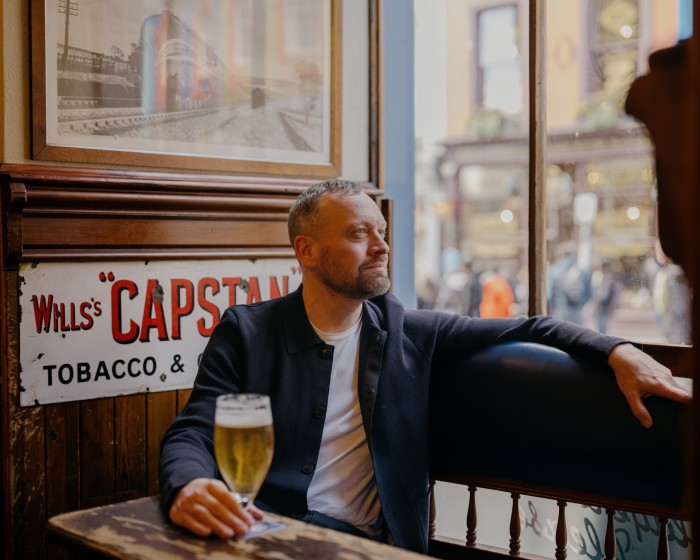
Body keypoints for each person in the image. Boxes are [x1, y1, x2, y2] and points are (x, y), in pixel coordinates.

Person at [159, 179, 691, 554]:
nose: (381, 246)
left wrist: (617, 350)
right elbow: (192, 431)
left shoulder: (408, 332)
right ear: (308, 251)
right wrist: (187, 487)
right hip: (268, 534)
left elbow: (531, 326)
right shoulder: (248, 331)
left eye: (381, 231)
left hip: (374, 546)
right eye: (358, 234)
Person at [547, 241, 592, 325]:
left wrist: (553, 308)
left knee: (560, 336)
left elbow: (549, 294)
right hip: (577, 311)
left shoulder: (555, 268)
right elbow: (589, 292)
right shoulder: (583, 269)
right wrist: (580, 304)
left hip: (560, 311)